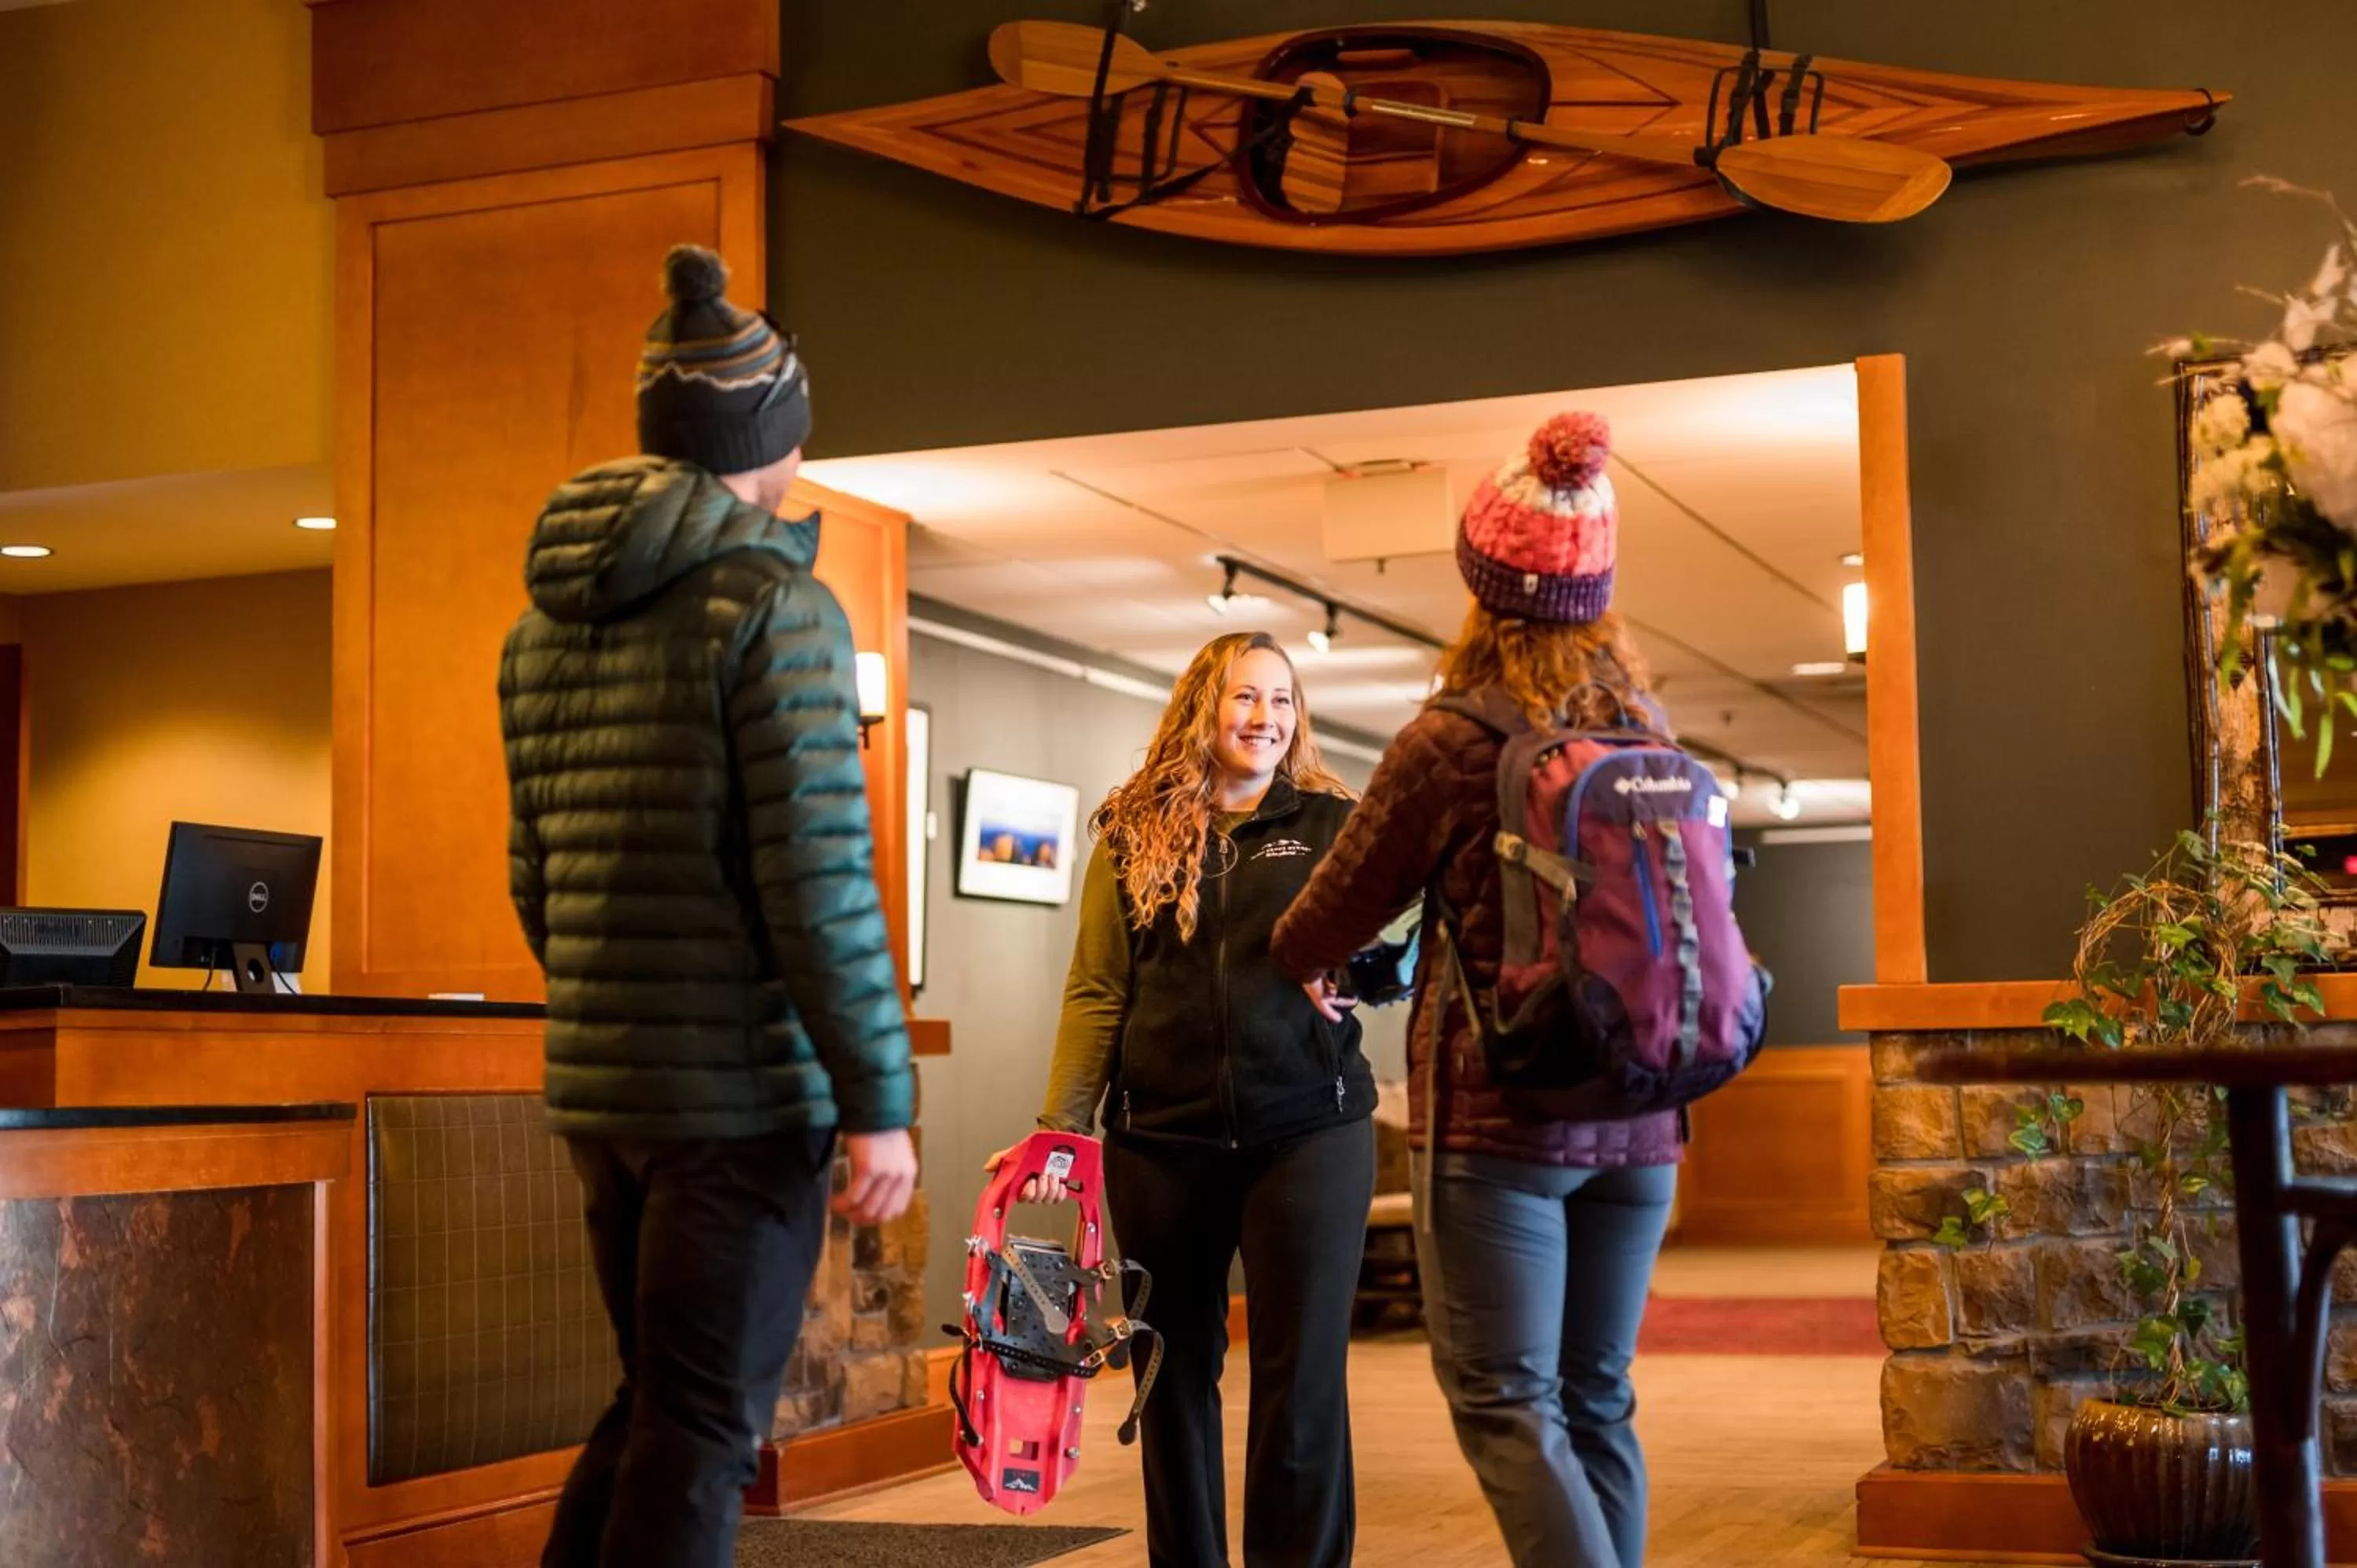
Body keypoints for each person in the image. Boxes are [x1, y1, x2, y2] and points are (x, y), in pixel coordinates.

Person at [499, 244, 918, 1568]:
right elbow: (818, 880)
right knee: (702, 1430)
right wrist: (878, 1097)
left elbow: (536, 874)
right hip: (738, 1106)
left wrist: (615, 1008)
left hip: (606, 1094)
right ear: (766, 439)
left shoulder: (544, 629)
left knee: (657, 1407)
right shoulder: (775, 609)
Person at [1271, 413, 1681, 1568]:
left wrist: (1312, 957)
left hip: (1502, 1126)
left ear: (1480, 581)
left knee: (1505, 1398)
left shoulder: (1447, 740)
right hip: (1644, 1119)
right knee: (1597, 1397)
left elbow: (1321, 923)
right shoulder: (1643, 729)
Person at [987, 630, 1376, 1568]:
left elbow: (1388, 939)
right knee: (1170, 1373)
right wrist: (1059, 1129)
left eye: (1282, 700)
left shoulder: (1331, 824)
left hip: (1310, 1133)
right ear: (1203, 707)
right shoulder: (1133, 833)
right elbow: (1097, 990)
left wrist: (1365, 969)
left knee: (1302, 1378)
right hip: (1161, 1141)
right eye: (1246, 698)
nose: (1266, 719)